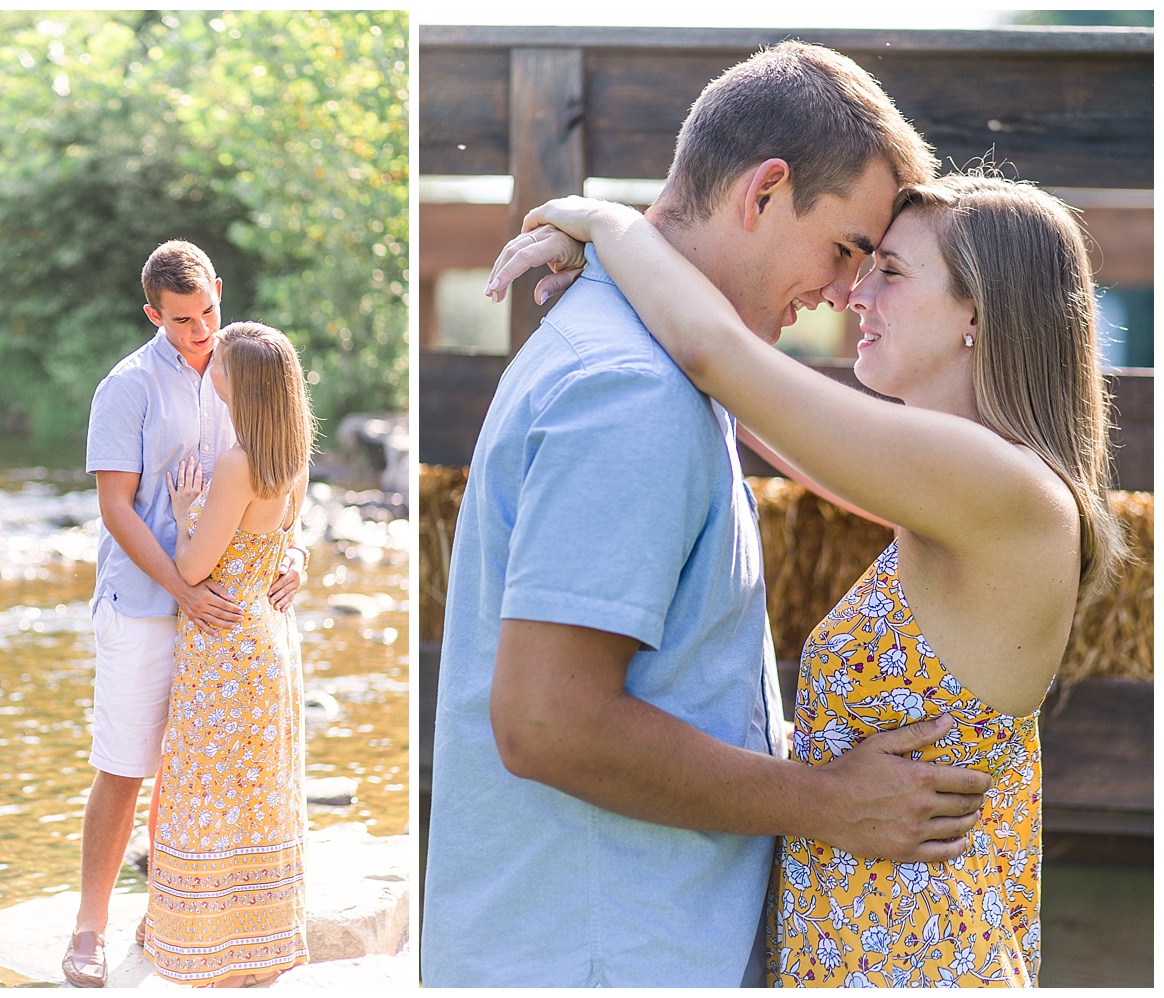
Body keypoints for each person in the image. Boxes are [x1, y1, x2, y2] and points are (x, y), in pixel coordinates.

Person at [420, 41, 993, 989]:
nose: (847, 293)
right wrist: (826, 803)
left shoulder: (656, 367)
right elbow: (547, 722)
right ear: (764, 194)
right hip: (598, 959)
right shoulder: (633, 393)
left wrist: (612, 230)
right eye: (847, 249)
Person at [487, 172, 1121, 985]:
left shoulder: (1001, 486)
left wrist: (612, 226)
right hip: (873, 945)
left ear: (979, 313)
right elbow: (757, 414)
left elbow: (720, 360)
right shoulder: (958, 485)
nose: (857, 292)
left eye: (891, 272)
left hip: (913, 961)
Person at [64, 243, 306, 988]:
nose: (201, 330)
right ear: (153, 315)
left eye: (207, 313)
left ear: (219, 294)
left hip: (224, 617)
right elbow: (114, 509)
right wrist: (181, 587)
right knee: (126, 766)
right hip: (146, 605)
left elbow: (279, 468)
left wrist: (293, 553)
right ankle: (89, 931)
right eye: (183, 320)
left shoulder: (244, 365)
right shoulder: (127, 387)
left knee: (198, 771)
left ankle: (172, 918)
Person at [141, 321, 316, 988]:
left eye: (221, 360)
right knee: (256, 792)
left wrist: (187, 507)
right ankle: (258, 944)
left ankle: (199, 943)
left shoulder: (238, 464)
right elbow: (287, 539)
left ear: (240, 386)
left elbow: (192, 564)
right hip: (269, 640)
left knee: (202, 787)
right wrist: (294, 558)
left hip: (224, 644)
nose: (210, 361)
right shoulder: (291, 454)